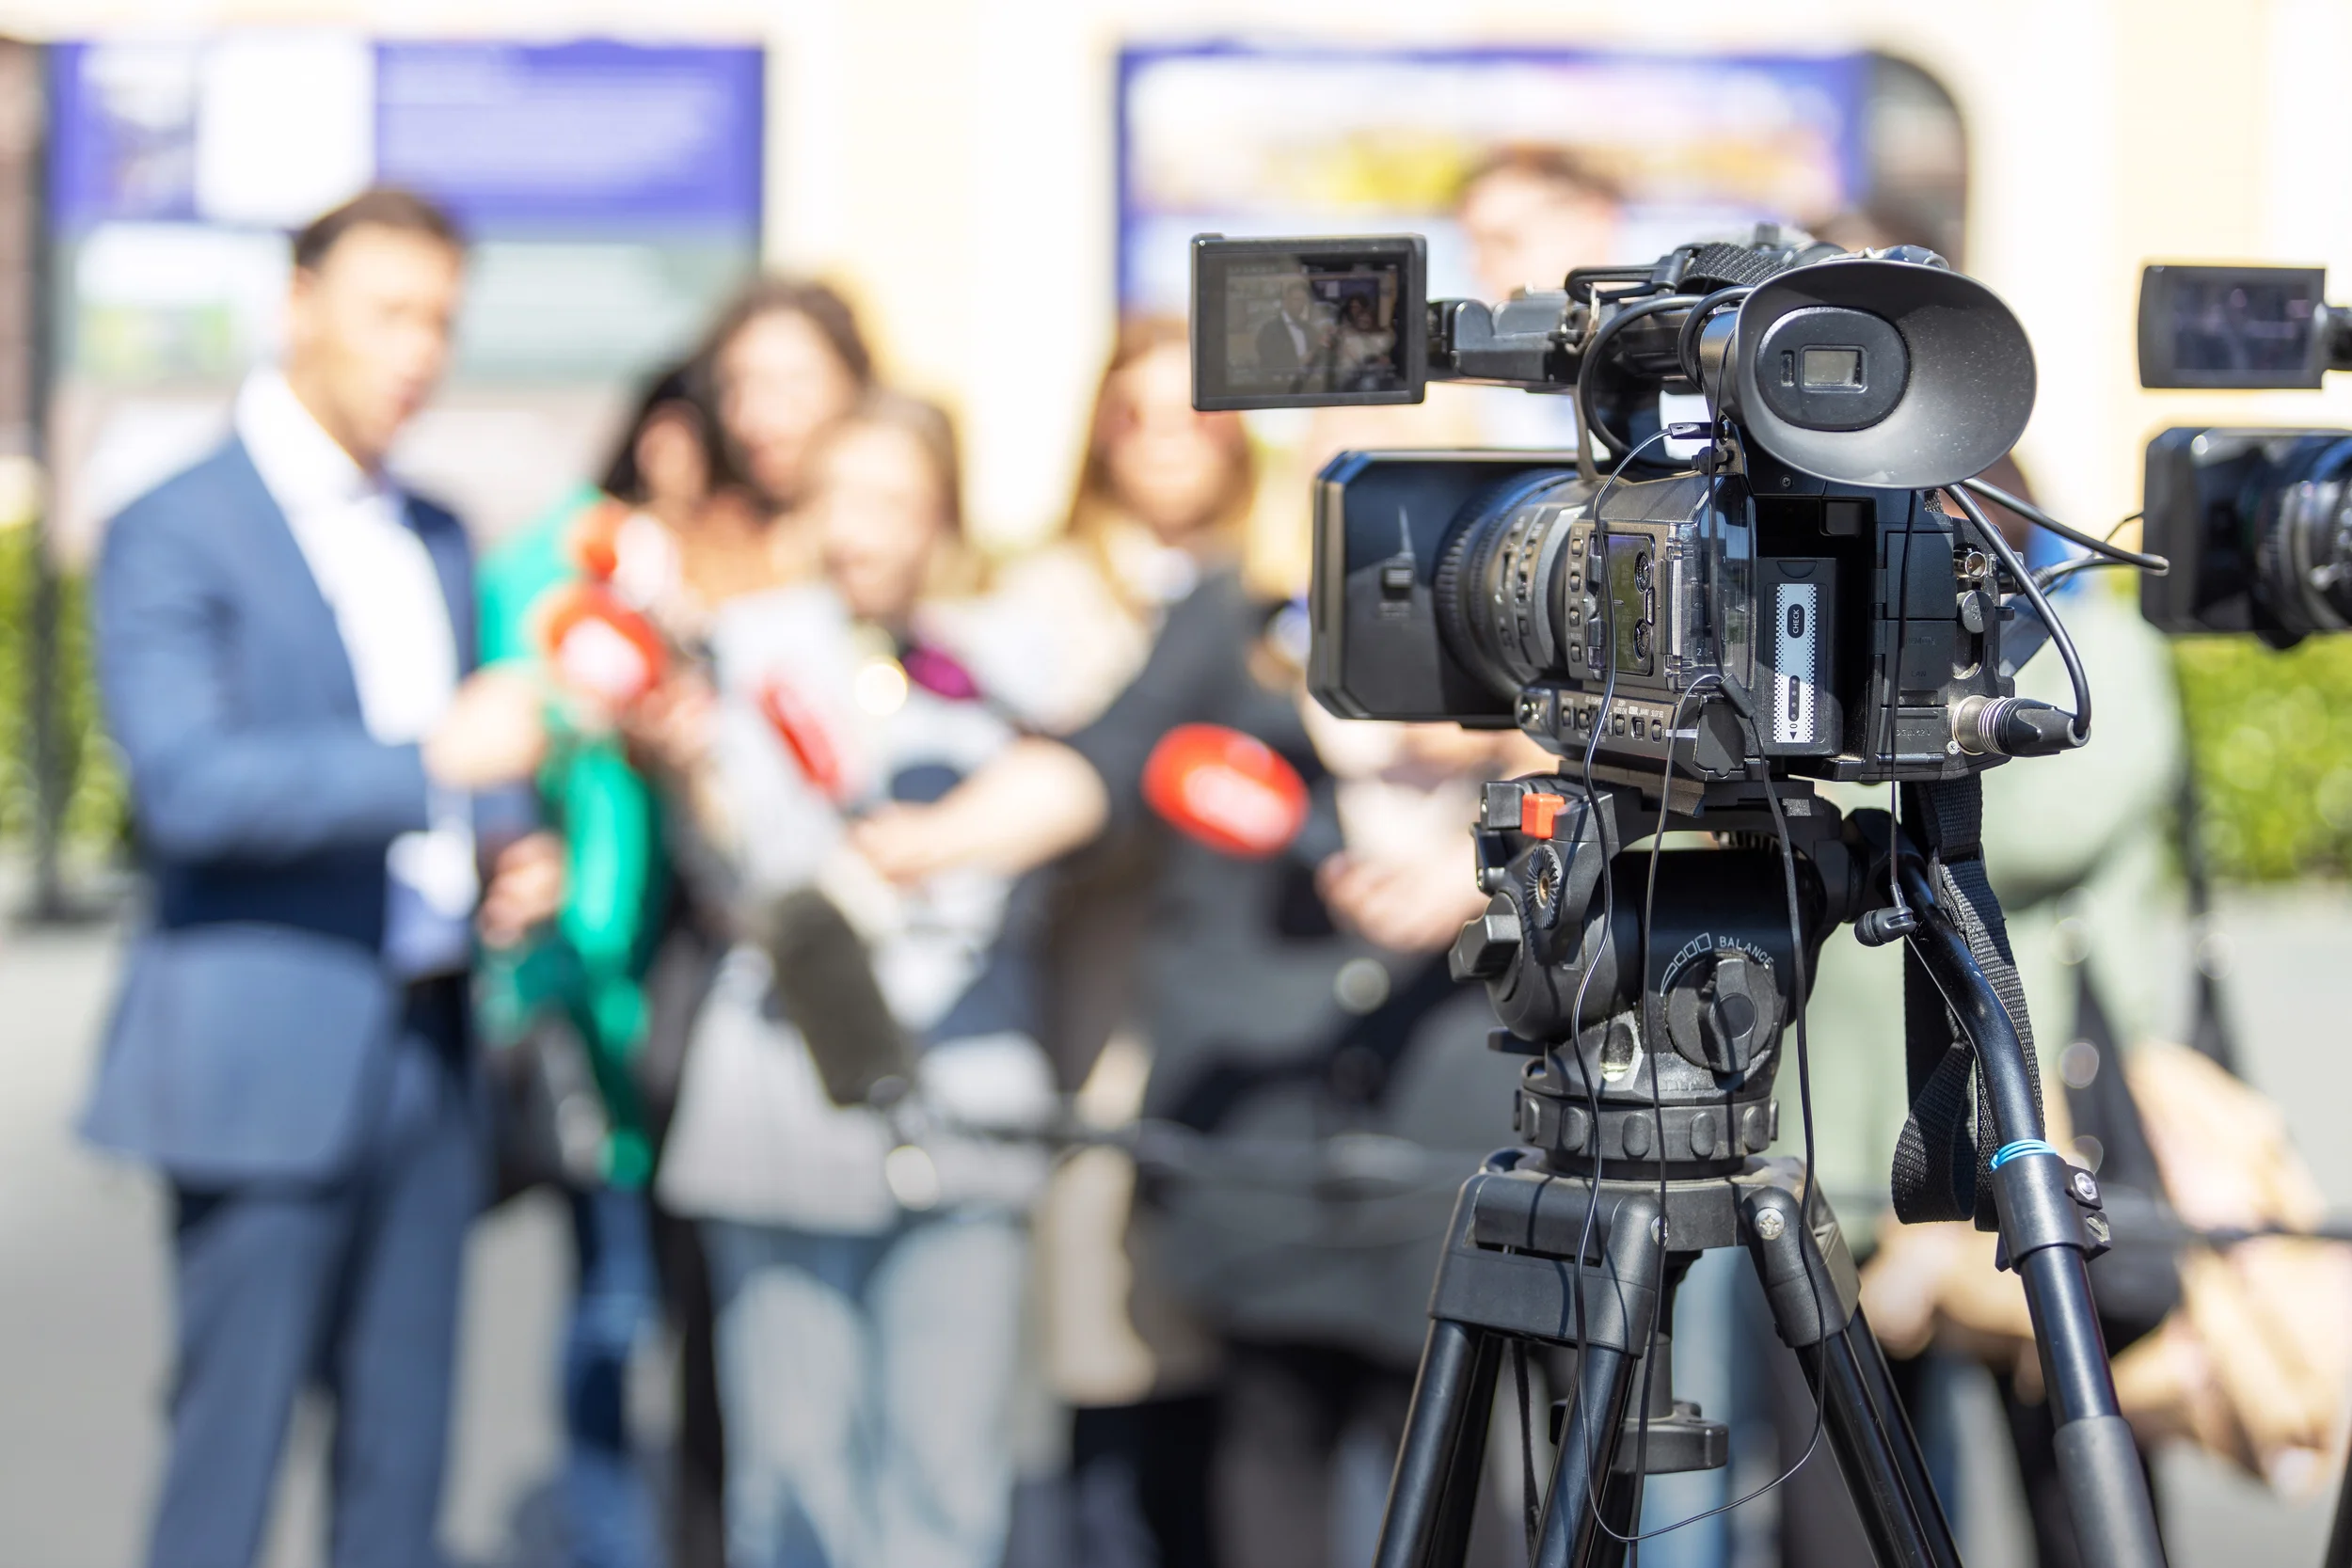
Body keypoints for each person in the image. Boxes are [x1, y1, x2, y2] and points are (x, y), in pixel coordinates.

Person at [850, 370, 1539, 1568]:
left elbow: (1631, 797)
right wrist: (932, 840)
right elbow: (1107, 759)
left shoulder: (1530, 633)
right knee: (1259, 1478)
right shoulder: (1236, 618)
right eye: (1345, 449)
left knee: (1465, 1498)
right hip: (1262, 1143)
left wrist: (1486, 847)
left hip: (1460, 1132)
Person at [85, 188, 556, 1568]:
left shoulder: (443, 531)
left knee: (401, 1465)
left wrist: (503, 843)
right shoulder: (176, 521)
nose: (420, 351)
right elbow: (190, 785)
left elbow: (475, 759)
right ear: (298, 306)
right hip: (261, 1052)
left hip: (428, 1040)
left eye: (443, 323)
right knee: (224, 1467)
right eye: (389, 314)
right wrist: (434, 766)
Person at [476, 277, 875, 1568]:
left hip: (891, 986)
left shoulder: (897, 546)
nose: (761, 415)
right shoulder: (672, 566)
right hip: (711, 991)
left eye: (791, 381)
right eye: (739, 386)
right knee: (709, 1342)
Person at [649, 390, 1056, 1568]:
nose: (857, 529)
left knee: (948, 1476)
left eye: (889, 500)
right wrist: (695, 781)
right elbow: (745, 869)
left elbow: (1034, 857)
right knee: (792, 1479)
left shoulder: (1014, 658)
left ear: (942, 515)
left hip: (967, 1089)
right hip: (783, 1090)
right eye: (835, 498)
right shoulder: (743, 650)